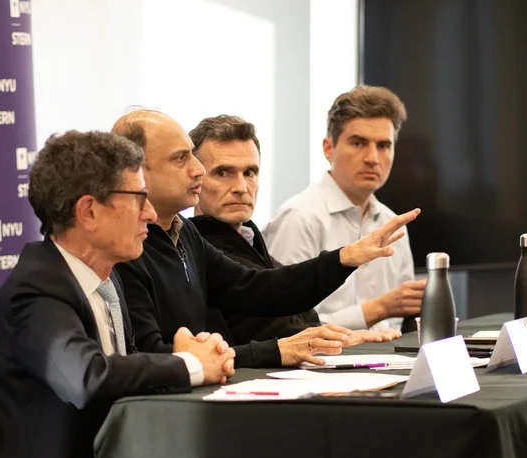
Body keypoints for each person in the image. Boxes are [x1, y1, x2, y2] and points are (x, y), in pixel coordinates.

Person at [0, 131, 235, 458]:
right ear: (89, 211)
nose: (148, 214)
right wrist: (191, 365)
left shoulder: (103, 280)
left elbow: (125, 364)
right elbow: (87, 376)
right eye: (138, 198)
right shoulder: (34, 291)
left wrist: (179, 352)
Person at [111, 109, 419, 369]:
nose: (197, 170)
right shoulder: (125, 248)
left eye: (251, 173)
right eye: (181, 158)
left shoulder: (184, 234)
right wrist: (282, 348)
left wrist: (346, 257)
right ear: (135, 172)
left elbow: (260, 289)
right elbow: (151, 356)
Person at [187, 114, 402, 345]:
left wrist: (337, 334)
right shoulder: (191, 250)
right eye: (222, 173)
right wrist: (346, 258)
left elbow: (290, 307)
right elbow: (264, 311)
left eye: (249, 173)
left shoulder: (248, 239)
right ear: (194, 179)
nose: (241, 187)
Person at [264, 85, 426, 332]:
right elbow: (284, 325)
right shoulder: (299, 218)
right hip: (316, 367)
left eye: (383, 145)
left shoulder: (391, 221)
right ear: (329, 148)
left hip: (387, 362)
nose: (372, 158)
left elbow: (403, 319)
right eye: (358, 142)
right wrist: (378, 309)